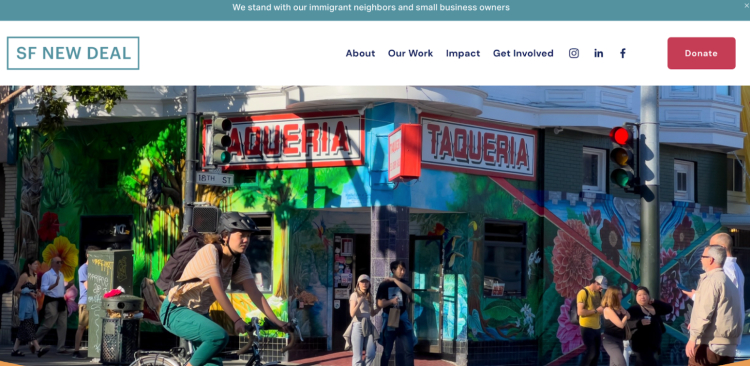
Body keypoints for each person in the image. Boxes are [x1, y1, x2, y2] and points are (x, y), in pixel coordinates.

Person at [160, 212, 291, 366]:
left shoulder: (239, 260)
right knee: (219, 336)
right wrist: (237, 320)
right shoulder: (210, 252)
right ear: (225, 235)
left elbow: (255, 293)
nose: (246, 240)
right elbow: (218, 290)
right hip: (176, 311)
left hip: (199, 314)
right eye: (242, 235)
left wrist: (278, 322)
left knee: (215, 364)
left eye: (248, 236)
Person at [686, 245, 742, 366]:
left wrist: (692, 338)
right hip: (728, 346)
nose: (701, 259)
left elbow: (704, 312)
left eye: (703, 256)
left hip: (710, 344)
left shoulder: (711, 280)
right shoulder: (728, 282)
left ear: (711, 260)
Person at [683, 233, 745, 333]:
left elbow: (718, 299)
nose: (709, 250)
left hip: (719, 331)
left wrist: (696, 297)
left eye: (712, 246)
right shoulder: (734, 268)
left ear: (722, 248)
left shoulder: (724, 269)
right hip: (727, 329)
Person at [376, 260, 414, 366]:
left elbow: (409, 291)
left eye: (404, 269)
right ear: (393, 270)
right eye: (400, 269)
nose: (403, 272)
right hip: (390, 318)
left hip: (402, 318)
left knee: (409, 350)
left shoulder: (404, 283)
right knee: (387, 351)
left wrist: (394, 279)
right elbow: (379, 304)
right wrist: (391, 302)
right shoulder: (384, 285)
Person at [11, 258, 49, 357]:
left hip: (32, 304)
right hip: (24, 304)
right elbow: (16, 290)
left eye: (37, 264)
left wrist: (37, 292)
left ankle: (14, 350)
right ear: (29, 265)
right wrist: (28, 292)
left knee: (24, 327)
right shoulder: (24, 276)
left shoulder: (35, 276)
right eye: (35, 264)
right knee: (29, 326)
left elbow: (34, 289)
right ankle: (38, 349)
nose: (37, 266)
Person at [36, 256, 73, 353]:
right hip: (51, 301)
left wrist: (67, 286)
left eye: (61, 262)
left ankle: (61, 347)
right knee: (48, 325)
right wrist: (54, 285)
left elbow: (61, 290)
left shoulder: (61, 274)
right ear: (52, 264)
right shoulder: (47, 275)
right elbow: (43, 289)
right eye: (57, 262)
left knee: (62, 325)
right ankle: (34, 342)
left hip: (61, 301)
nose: (60, 264)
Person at [627, 287, 671, 366]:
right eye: (639, 295)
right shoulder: (633, 310)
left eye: (645, 294)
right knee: (648, 362)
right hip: (639, 343)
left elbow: (669, 308)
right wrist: (639, 323)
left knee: (642, 363)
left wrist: (655, 301)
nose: (642, 297)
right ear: (636, 297)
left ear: (648, 296)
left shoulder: (654, 307)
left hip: (653, 344)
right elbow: (627, 324)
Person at [345, 274, 379, 366]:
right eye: (362, 282)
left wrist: (380, 307)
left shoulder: (369, 296)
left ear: (369, 284)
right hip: (357, 325)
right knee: (357, 356)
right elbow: (352, 314)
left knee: (371, 353)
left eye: (366, 281)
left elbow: (372, 313)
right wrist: (360, 301)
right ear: (358, 284)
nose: (364, 284)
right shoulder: (354, 295)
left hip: (368, 324)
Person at [73, 245, 99, 359]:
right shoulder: (84, 269)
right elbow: (87, 286)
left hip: (95, 301)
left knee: (95, 326)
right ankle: (76, 351)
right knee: (82, 326)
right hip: (85, 301)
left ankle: (94, 350)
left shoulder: (96, 268)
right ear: (88, 255)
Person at [576, 275, 607, 366]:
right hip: (586, 327)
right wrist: (596, 310)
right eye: (600, 286)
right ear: (595, 283)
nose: (601, 289)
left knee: (596, 354)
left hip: (597, 327)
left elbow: (601, 309)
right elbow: (580, 312)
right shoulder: (583, 292)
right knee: (591, 352)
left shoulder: (599, 293)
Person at [602, 287, 630, 366]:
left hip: (619, 339)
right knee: (621, 364)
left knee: (614, 364)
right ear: (612, 296)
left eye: (621, 294)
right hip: (610, 341)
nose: (621, 296)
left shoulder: (619, 307)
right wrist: (626, 316)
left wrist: (626, 314)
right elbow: (621, 325)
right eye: (619, 294)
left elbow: (629, 315)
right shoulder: (608, 309)